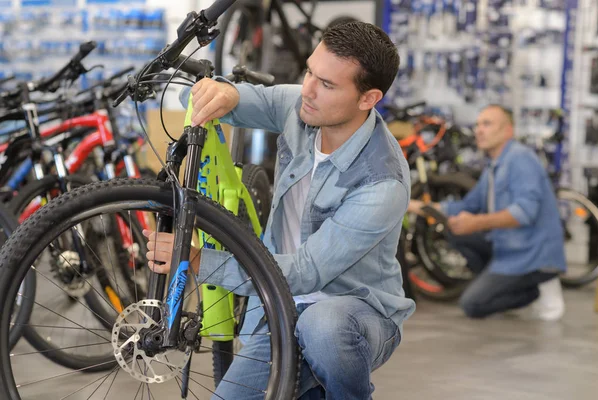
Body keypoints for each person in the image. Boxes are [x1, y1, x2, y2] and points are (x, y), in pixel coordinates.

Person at [144, 21, 416, 399]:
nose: (308, 89)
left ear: (368, 99)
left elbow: (304, 274)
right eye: (309, 71)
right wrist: (221, 93)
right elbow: (255, 99)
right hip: (278, 307)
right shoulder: (307, 107)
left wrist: (195, 260)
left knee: (323, 327)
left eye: (327, 84)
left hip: (354, 313)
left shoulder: (382, 182)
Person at [408, 105, 566, 321]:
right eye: (477, 125)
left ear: (507, 131)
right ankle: (501, 284)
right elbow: (467, 205)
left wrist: (477, 223)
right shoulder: (493, 166)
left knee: (472, 304)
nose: (478, 130)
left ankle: (537, 288)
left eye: (487, 124)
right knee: (456, 231)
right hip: (506, 248)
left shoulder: (520, 159)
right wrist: (418, 206)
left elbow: (524, 213)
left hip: (531, 254)